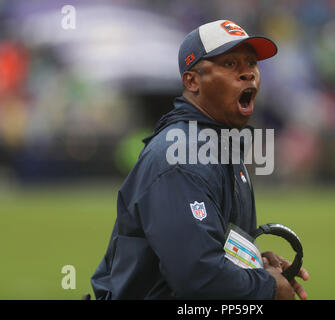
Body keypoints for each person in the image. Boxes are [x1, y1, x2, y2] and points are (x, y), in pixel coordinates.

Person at [91, 19, 309, 300]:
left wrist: (256, 266)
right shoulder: (181, 158)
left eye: (251, 63)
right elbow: (196, 275)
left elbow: (212, 247)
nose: (248, 74)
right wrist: (266, 287)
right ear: (192, 81)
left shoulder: (218, 145)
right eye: (230, 64)